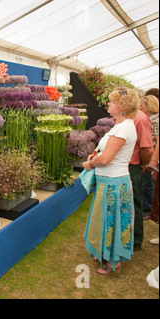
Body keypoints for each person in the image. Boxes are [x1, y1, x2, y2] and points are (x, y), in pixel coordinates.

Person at [82, 88, 138, 275]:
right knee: (104, 220)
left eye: (112, 102)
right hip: (111, 181)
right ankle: (104, 253)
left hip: (113, 183)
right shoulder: (122, 124)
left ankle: (111, 259)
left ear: (123, 106)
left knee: (110, 221)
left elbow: (106, 159)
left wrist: (90, 163)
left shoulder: (123, 127)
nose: (108, 105)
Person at [129, 92, 154, 250]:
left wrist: (142, 164)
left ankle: (136, 240)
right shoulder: (128, 116)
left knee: (135, 202)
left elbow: (147, 148)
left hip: (133, 166)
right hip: (124, 166)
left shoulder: (140, 118)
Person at [140, 95, 159, 220]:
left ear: (149, 106)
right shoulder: (149, 119)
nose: (140, 107)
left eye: (142, 105)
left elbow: (158, 142)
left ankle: (146, 210)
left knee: (147, 184)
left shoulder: (155, 121)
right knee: (145, 183)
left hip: (152, 158)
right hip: (149, 157)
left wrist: (153, 161)